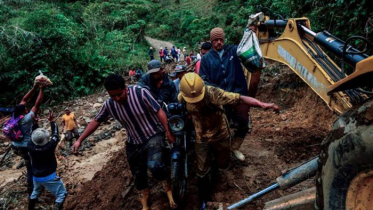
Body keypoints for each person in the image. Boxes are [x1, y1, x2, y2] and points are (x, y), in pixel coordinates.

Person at [71, 74, 177, 210]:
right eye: (112, 96)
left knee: (155, 165)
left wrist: (168, 131)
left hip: (153, 134)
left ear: (125, 89)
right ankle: (145, 204)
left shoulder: (141, 93)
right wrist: (80, 140)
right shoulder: (109, 105)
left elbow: (159, 111)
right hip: (133, 141)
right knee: (138, 174)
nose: (116, 99)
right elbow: (96, 121)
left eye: (119, 94)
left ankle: (168, 191)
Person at [178, 73, 279, 209]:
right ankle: (203, 199)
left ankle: (217, 169)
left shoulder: (213, 93)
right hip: (201, 136)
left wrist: (262, 104)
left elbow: (239, 98)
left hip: (220, 133)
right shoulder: (183, 98)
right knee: (201, 170)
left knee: (223, 163)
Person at [199, 27, 249, 161]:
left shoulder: (233, 51)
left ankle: (235, 146)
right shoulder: (206, 59)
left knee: (244, 121)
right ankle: (223, 152)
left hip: (237, 93)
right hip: (219, 99)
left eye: (221, 39)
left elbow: (247, 46)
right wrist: (217, 92)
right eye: (216, 40)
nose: (219, 42)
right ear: (212, 41)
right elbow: (203, 80)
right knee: (222, 128)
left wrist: (250, 31)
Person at [28, 111, 67, 210]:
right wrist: (52, 121)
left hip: (36, 176)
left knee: (35, 192)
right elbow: (55, 135)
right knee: (62, 193)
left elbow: (32, 135)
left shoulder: (30, 146)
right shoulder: (49, 147)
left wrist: (35, 124)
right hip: (49, 176)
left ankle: (30, 207)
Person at [11, 83, 45, 196]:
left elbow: (24, 99)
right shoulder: (27, 119)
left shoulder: (15, 115)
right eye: (25, 109)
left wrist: (34, 87)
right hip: (25, 148)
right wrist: (41, 89)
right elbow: (37, 104)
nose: (27, 109)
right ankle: (32, 191)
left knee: (29, 163)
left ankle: (35, 186)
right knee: (31, 168)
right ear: (23, 112)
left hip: (15, 146)